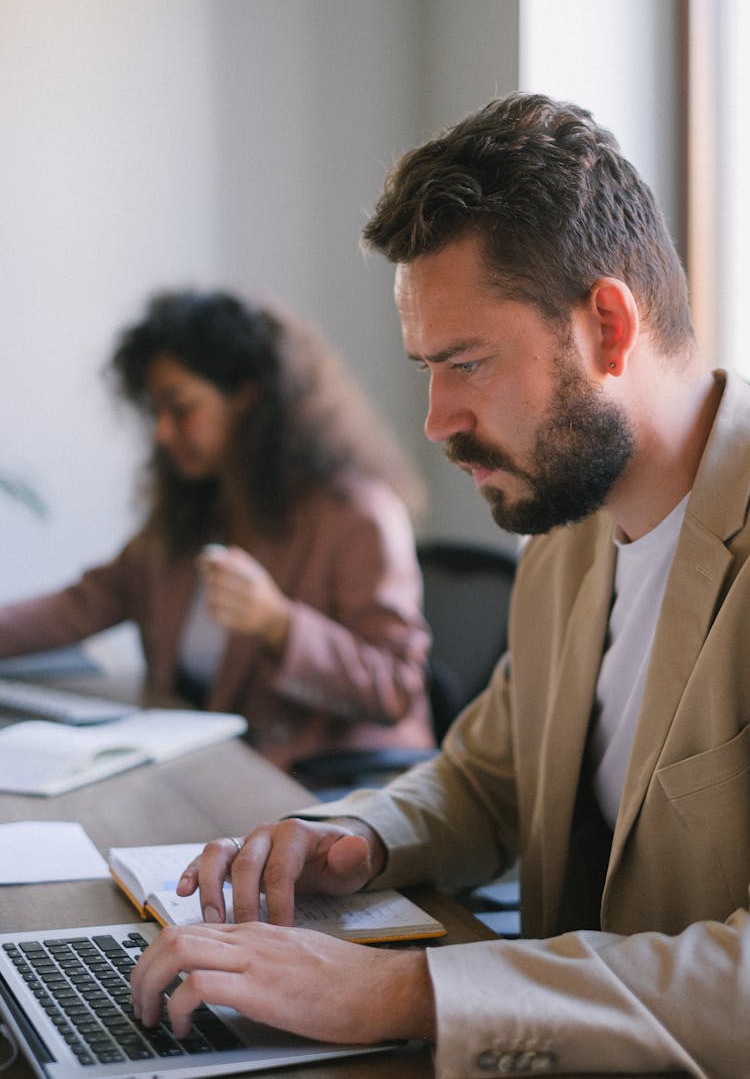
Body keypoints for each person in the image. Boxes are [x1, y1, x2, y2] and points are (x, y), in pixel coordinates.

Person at [130, 93, 750, 1078]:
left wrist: (403, 993)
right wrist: (347, 840)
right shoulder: (570, 539)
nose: (436, 420)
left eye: (467, 363)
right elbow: (486, 780)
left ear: (606, 325)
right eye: (428, 367)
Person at [0, 291, 434, 770]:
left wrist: (279, 624)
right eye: (156, 412)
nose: (163, 433)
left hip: (324, 790)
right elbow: (81, 605)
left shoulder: (358, 513)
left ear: (246, 397)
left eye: (180, 408)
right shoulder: (195, 508)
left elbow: (396, 688)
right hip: (210, 767)